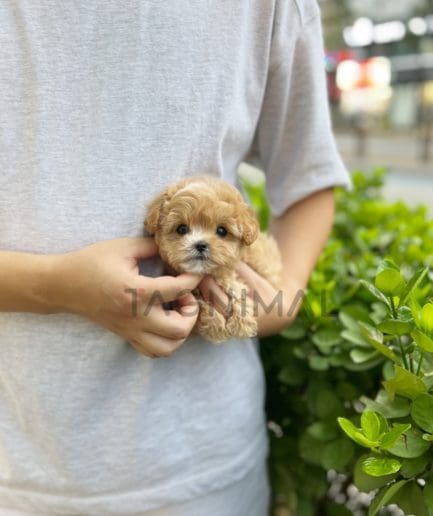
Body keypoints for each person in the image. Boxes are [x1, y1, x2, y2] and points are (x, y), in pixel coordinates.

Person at [0, 0, 352, 515]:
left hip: (205, 459)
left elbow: (309, 177)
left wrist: (282, 300)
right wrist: (54, 285)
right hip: (18, 459)